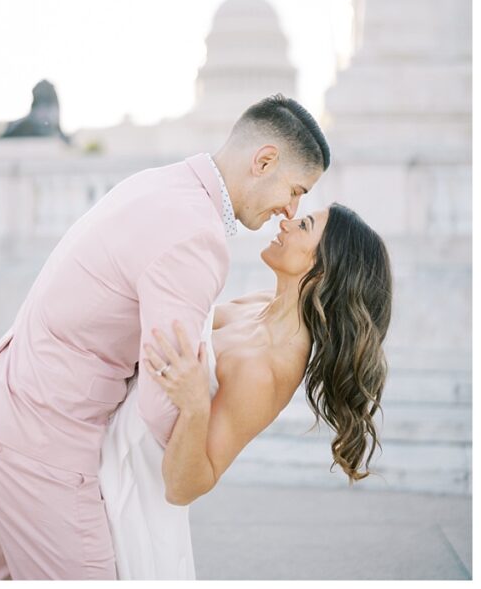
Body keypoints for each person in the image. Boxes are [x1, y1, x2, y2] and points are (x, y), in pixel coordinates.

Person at [0, 94, 330, 579]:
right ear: (264, 161)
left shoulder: (163, 183)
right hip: (44, 449)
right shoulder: (196, 237)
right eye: (295, 190)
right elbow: (163, 398)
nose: (290, 210)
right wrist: (186, 439)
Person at [101, 203, 392, 578]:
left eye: (303, 225)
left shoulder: (268, 369)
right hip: (107, 453)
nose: (286, 221)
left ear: (322, 269)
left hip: (132, 504)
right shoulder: (258, 305)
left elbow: (184, 487)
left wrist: (194, 406)